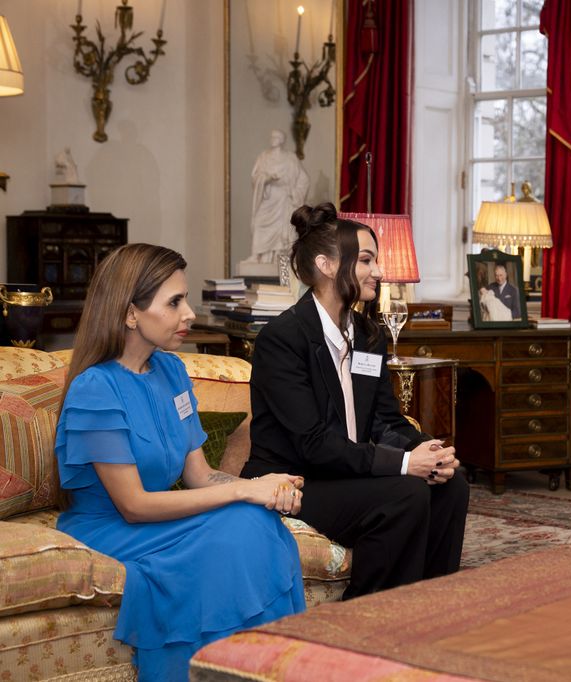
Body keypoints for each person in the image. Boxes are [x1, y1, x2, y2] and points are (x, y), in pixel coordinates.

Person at [54, 244, 306, 682]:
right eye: (174, 302)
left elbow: (200, 476)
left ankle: (266, 669)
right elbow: (134, 505)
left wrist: (264, 488)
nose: (189, 313)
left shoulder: (171, 371)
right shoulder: (95, 389)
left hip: (155, 519)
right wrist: (244, 489)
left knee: (256, 519)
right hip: (113, 527)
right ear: (131, 314)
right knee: (241, 527)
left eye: (185, 299)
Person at [242, 202, 470, 599]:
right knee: (406, 494)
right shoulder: (283, 339)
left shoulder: (367, 334)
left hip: (346, 473)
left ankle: (428, 606)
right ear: (327, 265)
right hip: (295, 480)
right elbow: (313, 444)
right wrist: (405, 464)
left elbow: (385, 419)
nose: (378, 272)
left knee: (452, 486)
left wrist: (427, 450)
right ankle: (366, 615)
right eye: (366, 260)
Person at [243, 129, 310, 264]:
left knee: (283, 229)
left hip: (284, 198)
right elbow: (255, 176)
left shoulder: (290, 158)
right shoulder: (264, 157)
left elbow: (304, 179)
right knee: (259, 223)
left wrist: (294, 192)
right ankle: (258, 255)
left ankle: (280, 257)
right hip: (268, 198)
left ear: (282, 140)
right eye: (272, 137)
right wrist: (265, 178)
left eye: (276, 137)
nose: (273, 139)